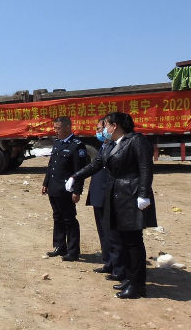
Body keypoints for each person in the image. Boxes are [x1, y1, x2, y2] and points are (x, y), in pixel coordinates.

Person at [66, 112, 156, 299]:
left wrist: (143, 194)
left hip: (131, 196)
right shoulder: (111, 144)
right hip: (116, 196)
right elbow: (96, 164)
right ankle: (129, 278)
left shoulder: (135, 141)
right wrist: (76, 176)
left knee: (133, 242)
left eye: (106, 125)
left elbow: (145, 168)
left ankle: (138, 286)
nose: (104, 129)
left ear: (115, 126)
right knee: (122, 240)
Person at [42, 116, 87, 261]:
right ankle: (60, 246)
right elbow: (51, 165)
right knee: (57, 217)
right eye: (54, 128)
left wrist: (77, 191)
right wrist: (46, 182)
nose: (55, 130)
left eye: (58, 128)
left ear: (68, 127)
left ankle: (73, 251)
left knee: (69, 219)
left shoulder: (77, 145)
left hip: (66, 190)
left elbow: (79, 171)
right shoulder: (57, 143)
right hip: (54, 187)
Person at [87, 117, 124, 280]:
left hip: (109, 194)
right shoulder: (105, 145)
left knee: (112, 232)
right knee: (103, 231)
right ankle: (108, 262)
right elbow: (94, 166)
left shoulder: (118, 146)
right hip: (99, 193)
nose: (99, 132)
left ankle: (118, 267)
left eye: (101, 128)